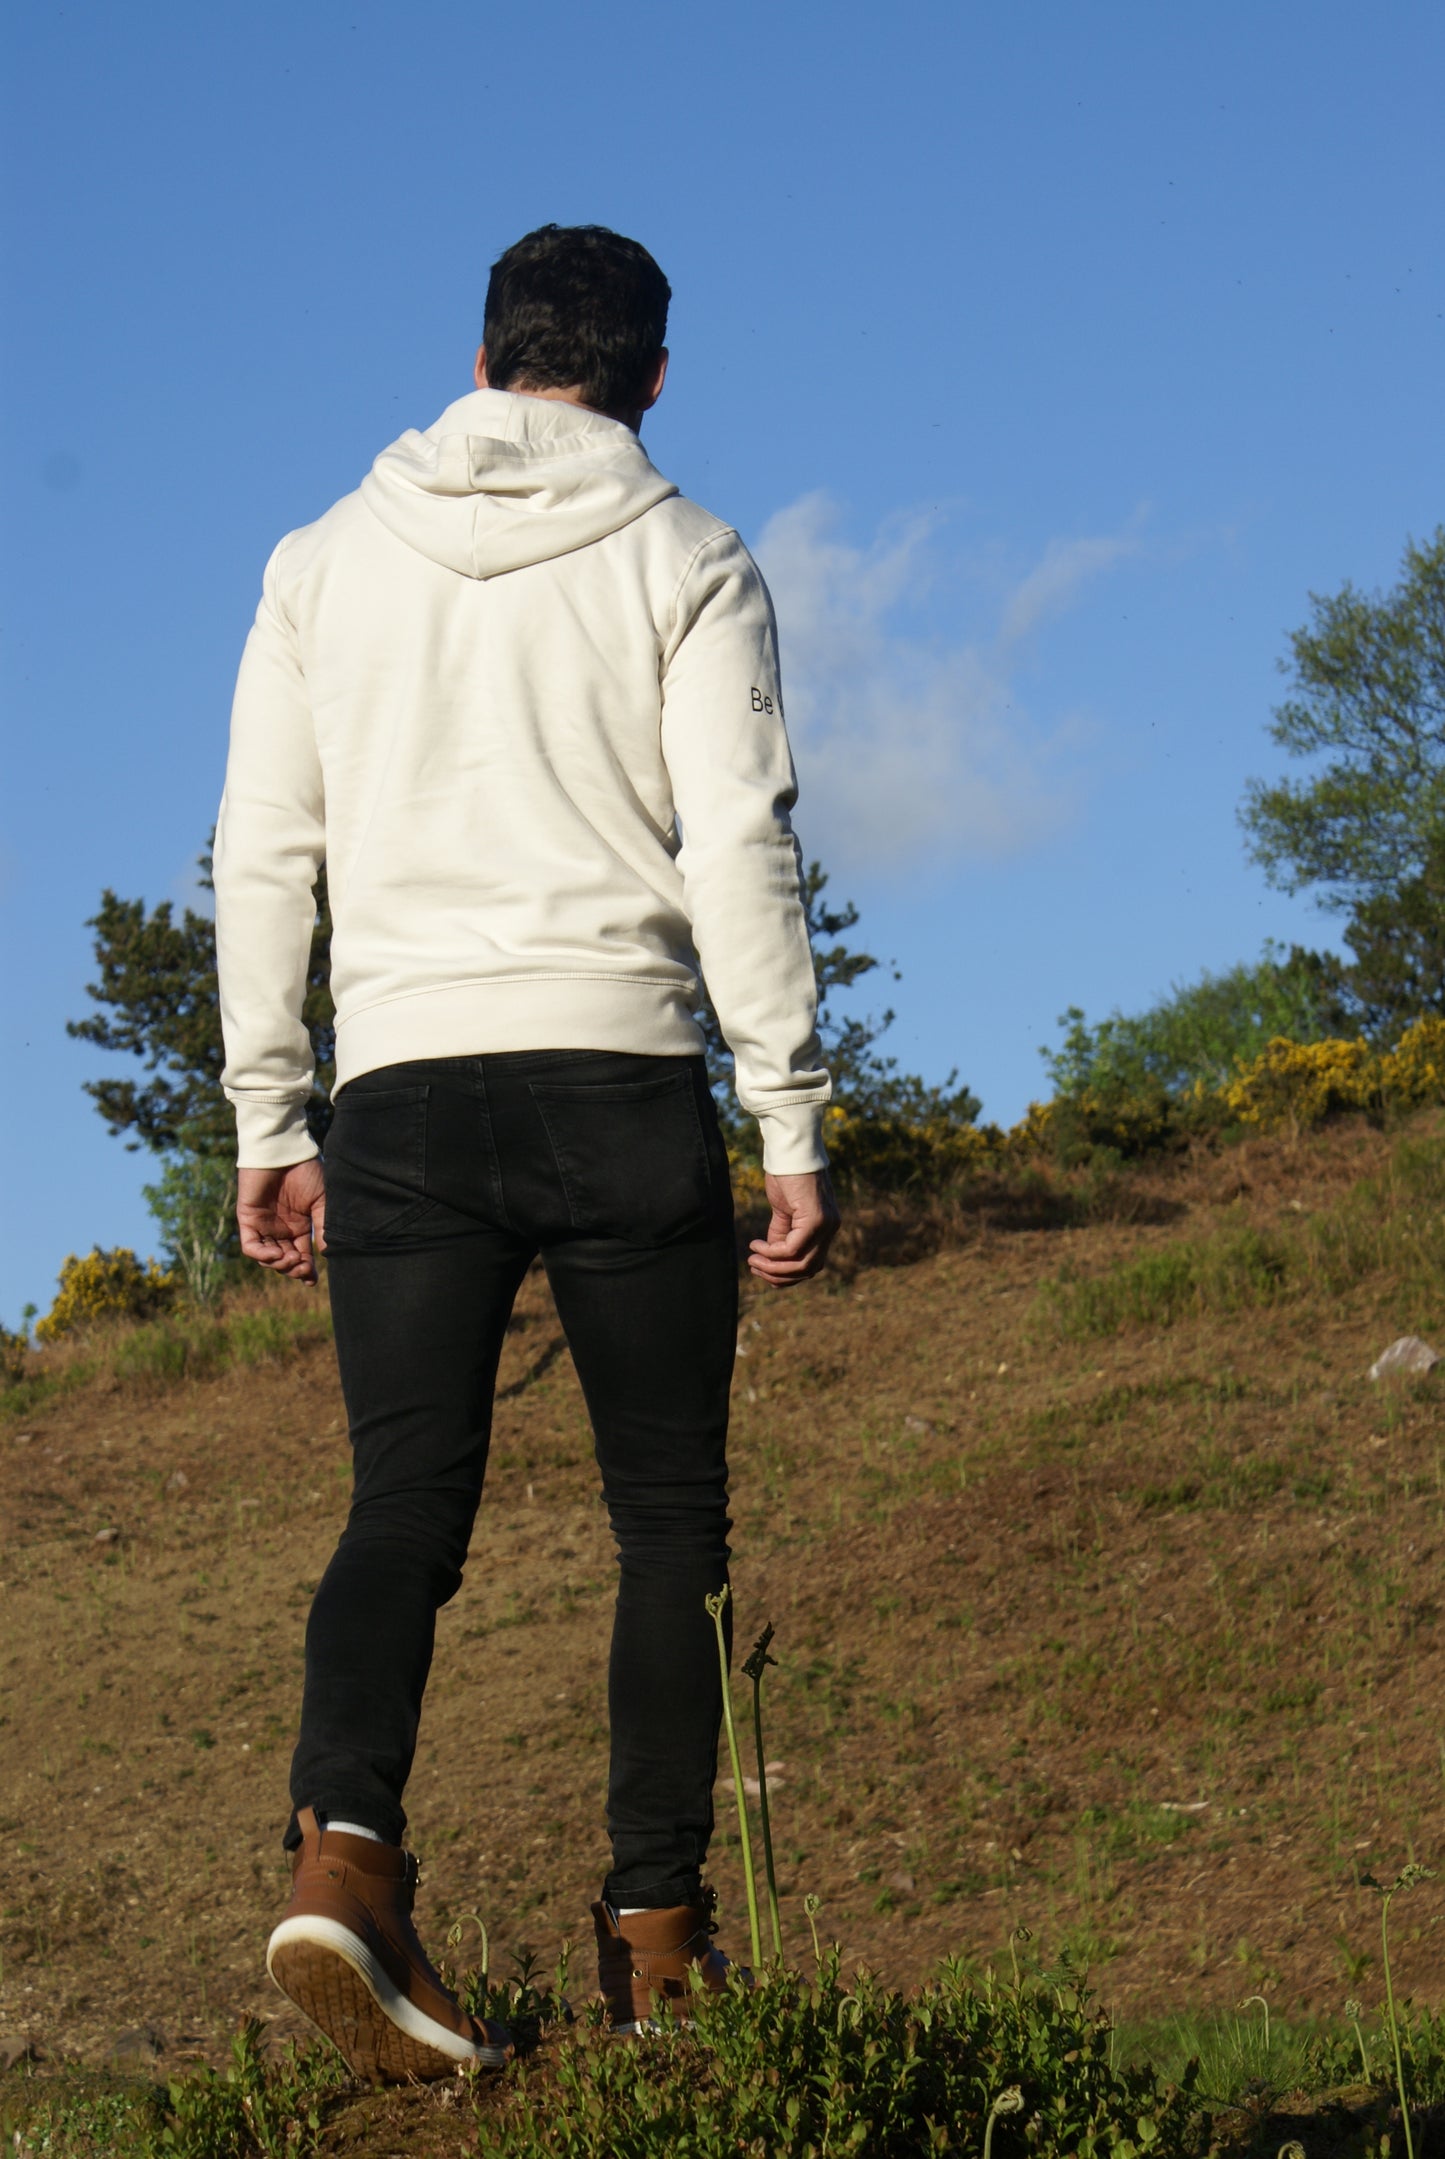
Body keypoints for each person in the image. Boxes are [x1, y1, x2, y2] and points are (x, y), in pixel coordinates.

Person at [213, 223, 838, 2081]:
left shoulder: (319, 561)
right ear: (651, 377)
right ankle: (659, 1945)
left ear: (484, 358)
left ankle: (345, 1854)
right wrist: (788, 1111)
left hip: (399, 1091)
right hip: (621, 1079)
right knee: (668, 1524)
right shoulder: (689, 555)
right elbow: (738, 840)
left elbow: (265, 849)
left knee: (404, 1503)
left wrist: (270, 1110)